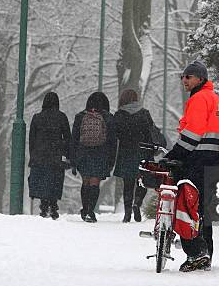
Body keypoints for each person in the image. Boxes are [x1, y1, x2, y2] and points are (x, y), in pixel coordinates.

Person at [164, 60, 219, 272]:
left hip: (197, 159)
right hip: (215, 162)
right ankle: (206, 254)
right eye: (183, 77)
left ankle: (196, 252)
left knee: (187, 204)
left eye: (188, 76)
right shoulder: (218, 101)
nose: (184, 80)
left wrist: (175, 154)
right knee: (202, 207)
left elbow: (193, 132)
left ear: (200, 79)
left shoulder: (198, 99)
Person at [70, 91, 116, 223]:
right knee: (95, 181)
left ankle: (85, 209)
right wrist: (111, 160)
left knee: (85, 181)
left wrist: (73, 159)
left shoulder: (80, 117)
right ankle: (91, 210)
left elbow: (74, 139)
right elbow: (113, 141)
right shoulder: (108, 117)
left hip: (83, 153)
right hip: (101, 153)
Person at [113, 89, 156, 222]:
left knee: (128, 183)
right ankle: (137, 203)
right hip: (142, 150)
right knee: (142, 181)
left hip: (126, 152)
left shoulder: (119, 115)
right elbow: (151, 133)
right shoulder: (144, 113)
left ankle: (127, 213)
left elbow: (115, 133)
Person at [28, 92, 72, 220]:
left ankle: (43, 205)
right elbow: (68, 138)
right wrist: (68, 155)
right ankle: (53, 205)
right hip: (56, 155)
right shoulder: (61, 117)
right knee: (55, 180)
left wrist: (33, 155)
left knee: (42, 181)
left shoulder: (37, 118)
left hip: (40, 155)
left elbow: (32, 139)